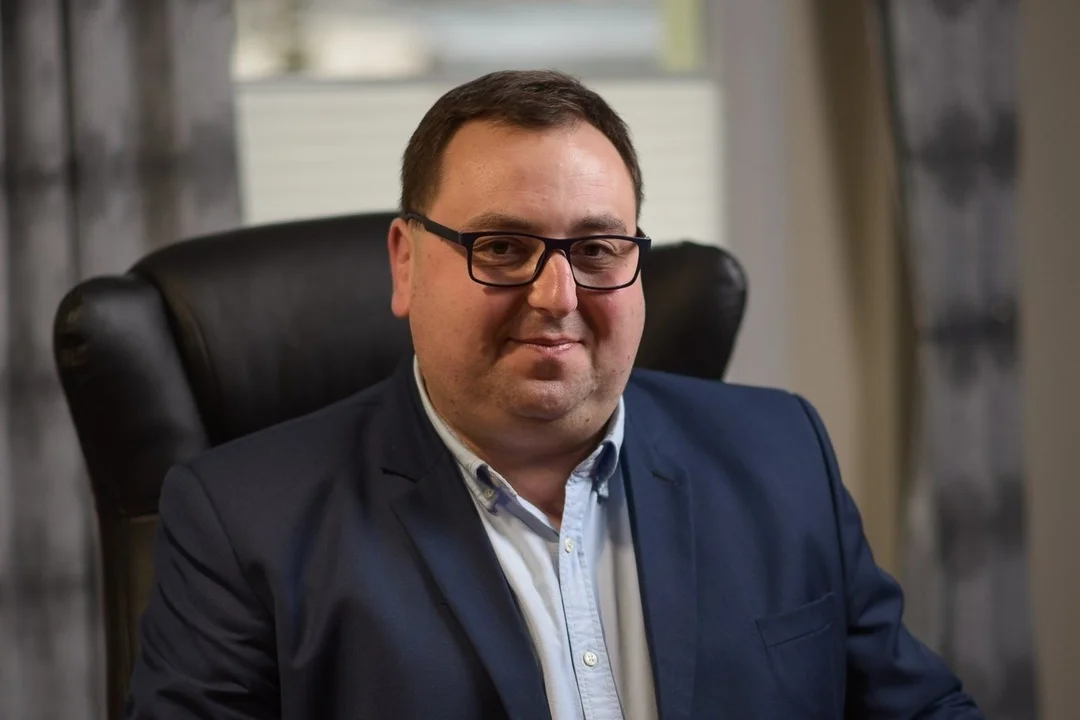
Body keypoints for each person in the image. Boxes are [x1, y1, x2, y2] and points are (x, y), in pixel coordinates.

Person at [127, 70, 983, 720]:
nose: (557, 296)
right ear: (405, 263)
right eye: (502, 247)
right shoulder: (245, 520)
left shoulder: (782, 453)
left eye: (599, 249)